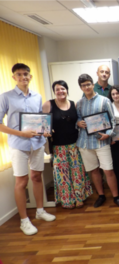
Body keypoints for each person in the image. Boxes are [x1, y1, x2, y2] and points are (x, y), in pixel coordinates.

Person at [0, 63, 56, 236]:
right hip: (19, 145)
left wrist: (46, 130)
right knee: (22, 182)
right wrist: (20, 133)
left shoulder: (37, 96)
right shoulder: (6, 97)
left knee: (37, 176)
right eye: (19, 74)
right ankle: (24, 221)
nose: (23, 77)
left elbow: (39, 119)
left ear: (30, 76)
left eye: (26, 74)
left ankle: (40, 211)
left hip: (37, 143)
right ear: (14, 77)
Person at [76, 74, 119, 209]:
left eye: (88, 84)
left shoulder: (104, 101)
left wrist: (108, 134)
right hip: (85, 143)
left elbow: (113, 120)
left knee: (108, 170)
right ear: (80, 87)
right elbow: (78, 119)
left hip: (101, 142)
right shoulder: (79, 103)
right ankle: (101, 195)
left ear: (93, 84)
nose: (86, 87)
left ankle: (116, 197)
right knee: (94, 171)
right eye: (83, 85)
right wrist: (78, 123)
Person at [42, 80, 92, 209]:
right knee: (62, 174)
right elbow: (42, 123)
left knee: (78, 172)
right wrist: (46, 131)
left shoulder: (74, 104)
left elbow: (78, 121)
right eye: (57, 89)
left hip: (75, 144)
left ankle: (79, 197)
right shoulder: (49, 104)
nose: (60, 91)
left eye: (63, 89)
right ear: (54, 91)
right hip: (58, 146)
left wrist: (79, 123)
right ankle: (67, 199)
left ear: (67, 90)